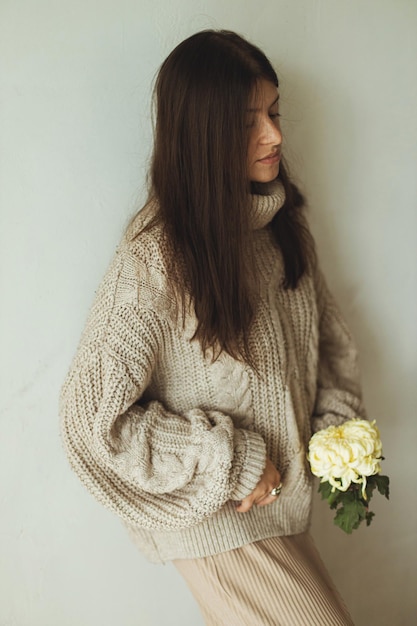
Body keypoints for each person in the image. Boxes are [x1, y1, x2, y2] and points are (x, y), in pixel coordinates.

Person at [60, 30, 365, 625]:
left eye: (274, 113)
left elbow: (328, 346)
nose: (274, 135)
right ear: (201, 132)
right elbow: (92, 420)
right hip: (220, 522)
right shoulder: (156, 258)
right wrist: (231, 461)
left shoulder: (281, 229)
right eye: (249, 120)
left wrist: (334, 438)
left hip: (284, 513)